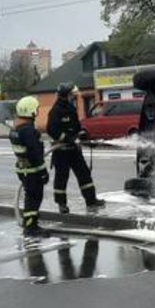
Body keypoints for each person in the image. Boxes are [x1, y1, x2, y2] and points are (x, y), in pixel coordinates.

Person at [46, 83, 105, 213]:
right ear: (66, 95)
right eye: (72, 94)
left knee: (84, 174)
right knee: (61, 178)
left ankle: (91, 201)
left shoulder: (71, 108)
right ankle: (62, 204)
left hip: (74, 150)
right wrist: (65, 138)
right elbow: (51, 129)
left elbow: (76, 126)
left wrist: (81, 133)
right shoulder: (56, 111)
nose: (74, 96)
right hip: (61, 151)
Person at [10, 96, 49, 238]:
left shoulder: (16, 129)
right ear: (31, 111)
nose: (37, 111)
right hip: (32, 171)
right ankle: (31, 228)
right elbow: (35, 154)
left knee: (30, 197)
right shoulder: (28, 131)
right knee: (34, 198)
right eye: (36, 109)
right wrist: (43, 171)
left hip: (23, 169)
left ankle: (31, 224)